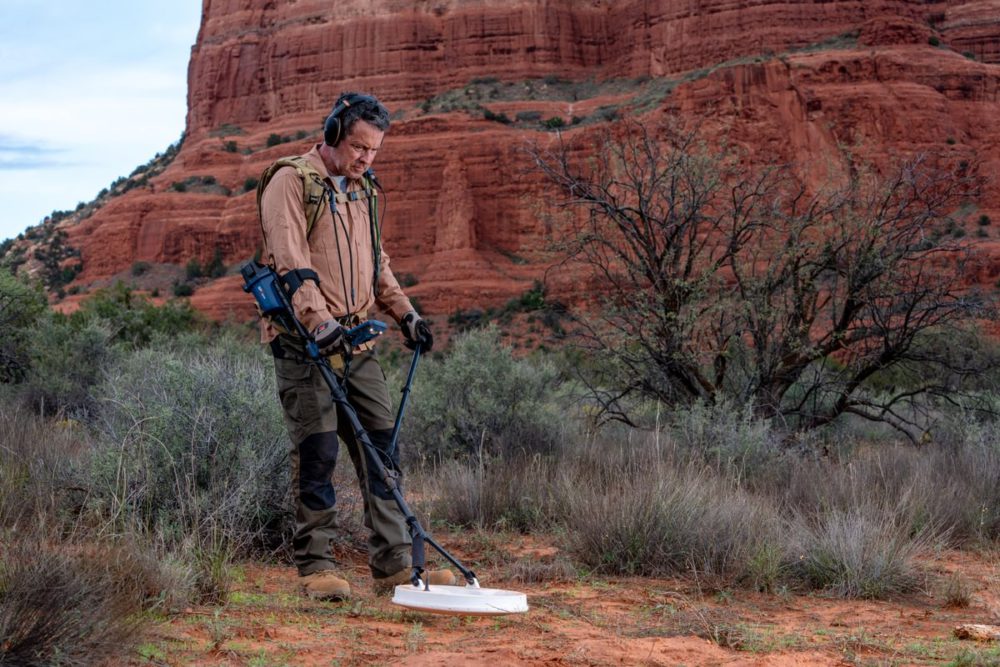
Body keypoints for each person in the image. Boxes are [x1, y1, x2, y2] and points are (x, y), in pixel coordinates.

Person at [257, 92, 453, 601]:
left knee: (383, 450)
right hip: (305, 345)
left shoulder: (363, 191)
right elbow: (290, 262)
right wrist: (318, 322)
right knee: (318, 453)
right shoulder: (291, 181)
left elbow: (377, 265)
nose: (366, 158)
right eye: (359, 147)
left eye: (374, 150)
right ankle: (316, 567)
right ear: (333, 132)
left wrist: (406, 314)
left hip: (357, 344)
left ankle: (394, 567)